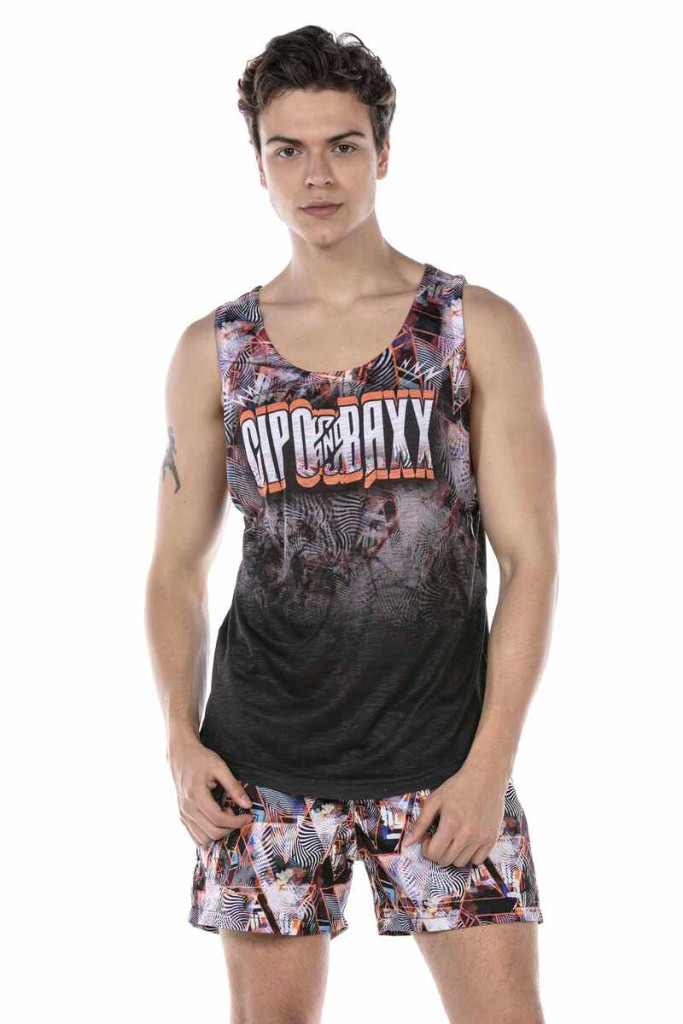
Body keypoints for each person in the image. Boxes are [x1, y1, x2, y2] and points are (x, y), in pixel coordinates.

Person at [145, 24, 558, 1024]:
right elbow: (173, 570)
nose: (316, 175)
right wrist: (179, 741)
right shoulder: (216, 351)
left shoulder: (470, 327)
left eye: (342, 145)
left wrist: (490, 762)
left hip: (441, 759)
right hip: (261, 767)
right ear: (259, 165)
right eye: (287, 149)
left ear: (383, 153)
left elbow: (530, 561)